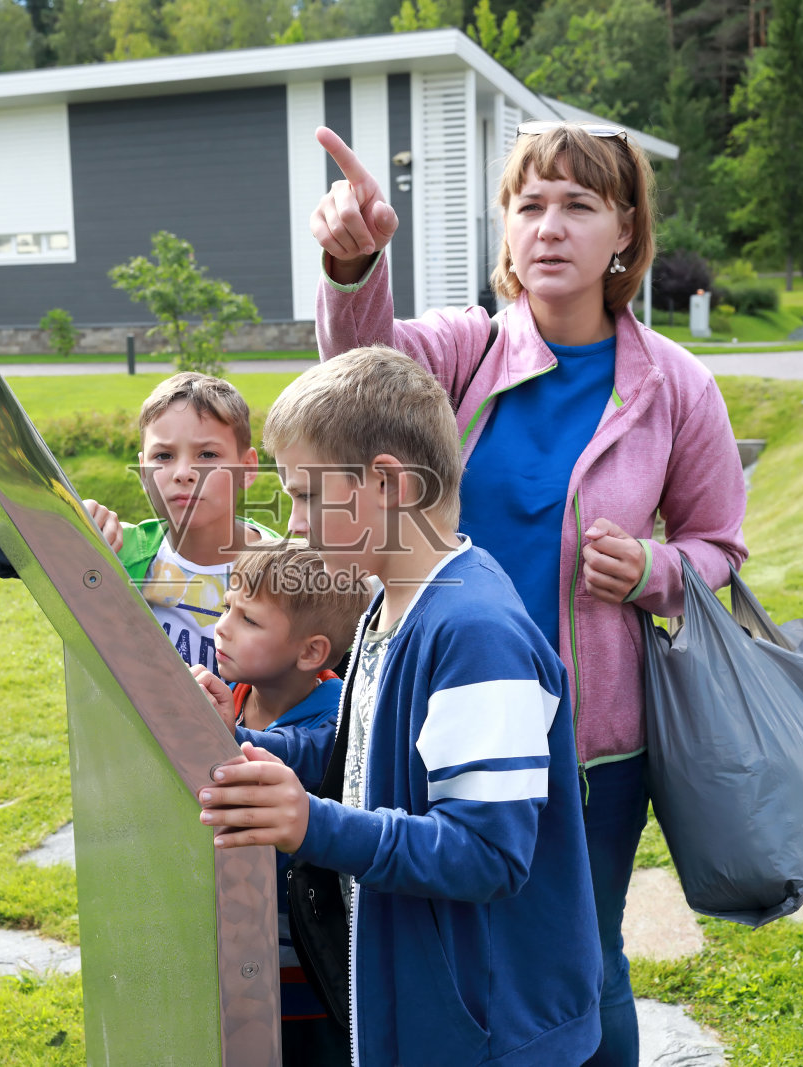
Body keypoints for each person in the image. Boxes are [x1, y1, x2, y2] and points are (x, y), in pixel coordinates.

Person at [307, 123, 748, 1066]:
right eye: (529, 204)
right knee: (452, 944)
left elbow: (719, 547)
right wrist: (354, 269)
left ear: (624, 231)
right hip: (442, 710)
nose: (550, 227)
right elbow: (363, 371)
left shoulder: (676, 387)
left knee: (583, 960)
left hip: (592, 744)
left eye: (579, 205)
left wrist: (656, 570)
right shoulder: (469, 352)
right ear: (505, 229)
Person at [198, 348, 603, 1067]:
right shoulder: (394, 601)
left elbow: (486, 853)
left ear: (384, 484)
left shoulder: (476, 634)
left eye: (306, 495)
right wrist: (242, 744)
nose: (293, 525)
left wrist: (312, 824)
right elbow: (365, 751)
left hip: (485, 1033)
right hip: (420, 1010)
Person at [191, 541, 372, 1066]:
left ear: (312, 652)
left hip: (306, 957)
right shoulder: (240, 692)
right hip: (238, 936)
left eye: (248, 618)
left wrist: (229, 735)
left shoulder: (335, 713)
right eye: (226, 607)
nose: (222, 626)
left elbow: (305, 755)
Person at [0, 372, 278, 675]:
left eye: (208, 454)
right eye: (163, 456)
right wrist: (63, 521)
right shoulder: (120, 549)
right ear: (144, 472)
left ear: (247, 468)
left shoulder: (288, 569)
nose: (183, 473)